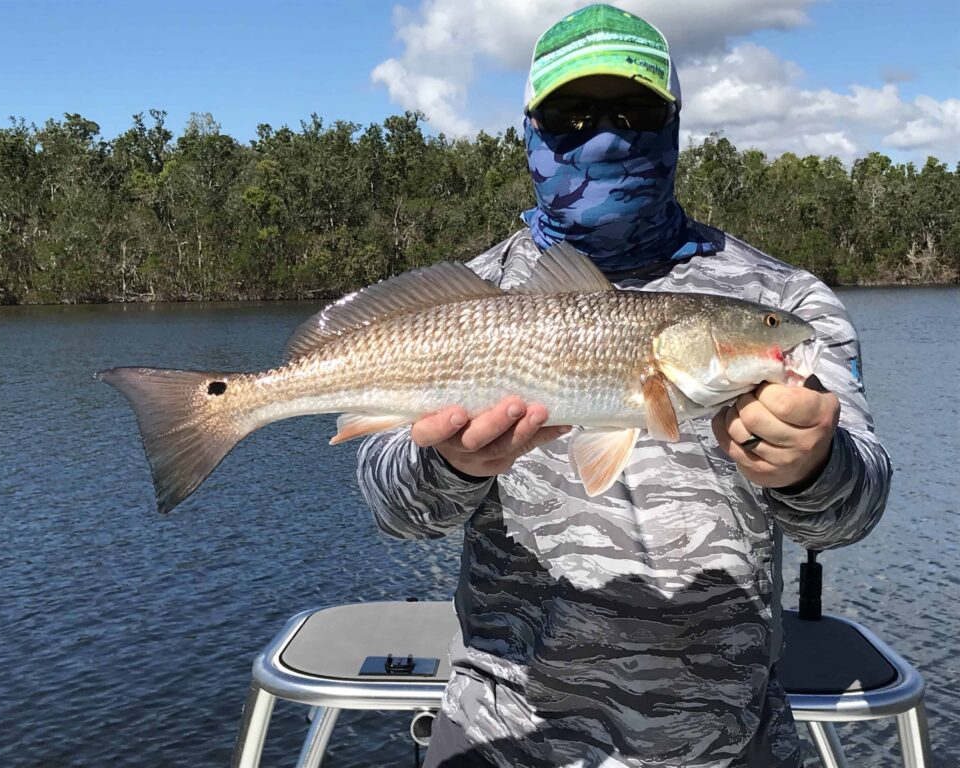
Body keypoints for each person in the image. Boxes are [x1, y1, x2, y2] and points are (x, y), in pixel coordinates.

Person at [358, 5, 891, 767]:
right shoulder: (470, 301)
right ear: (531, 131)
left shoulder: (783, 303)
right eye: (571, 116)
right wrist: (447, 465)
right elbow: (389, 506)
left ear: (674, 124)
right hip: (507, 733)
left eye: (634, 111)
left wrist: (815, 466)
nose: (604, 135)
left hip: (725, 741)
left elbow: (856, 509)